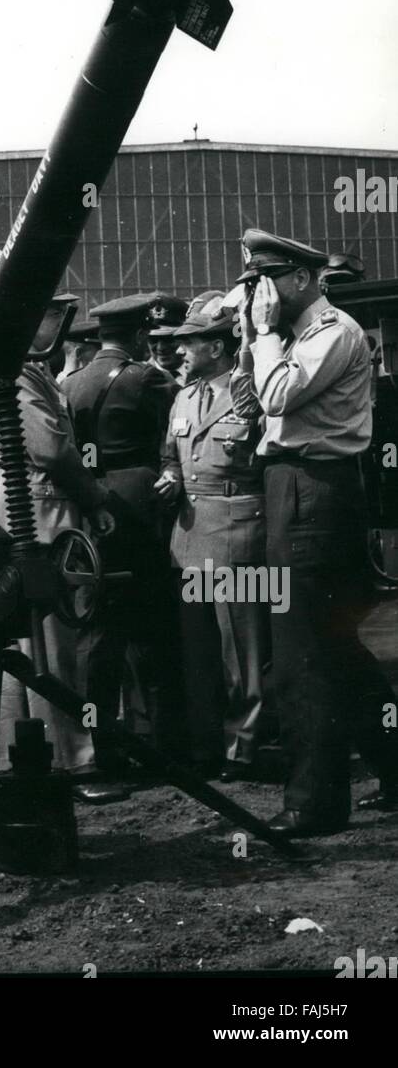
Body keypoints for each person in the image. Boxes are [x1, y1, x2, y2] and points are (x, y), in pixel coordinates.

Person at [232, 228, 398, 836]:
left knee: (304, 652)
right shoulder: (293, 335)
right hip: (291, 484)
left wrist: (269, 334)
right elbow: (248, 401)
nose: (259, 294)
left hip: (316, 485)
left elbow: (278, 398)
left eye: (267, 280)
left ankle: (315, 802)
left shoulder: (333, 332)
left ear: (302, 279)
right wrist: (253, 338)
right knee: (334, 646)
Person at [0, 297, 116, 799]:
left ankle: (21, 759)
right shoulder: (21, 373)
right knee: (53, 643)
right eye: (50, 317)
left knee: (21, 644)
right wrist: (96, 497)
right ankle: (70, 762)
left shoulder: (22, 370)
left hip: (25, 507)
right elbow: (51, 449)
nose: (55, 329)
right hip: (37, 510)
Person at [64, 294, 183, 790]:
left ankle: (102, 751)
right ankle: (161, 749)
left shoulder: (71, 382)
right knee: (154, 630)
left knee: (98, 634)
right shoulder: (147, 378)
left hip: (89, 504)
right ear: (138, 336)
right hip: (138, 505)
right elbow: (171, 431)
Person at [153, 292, 269, 781]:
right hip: (189, 540)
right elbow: (170, 455)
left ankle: (245, 749)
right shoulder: (183, 396)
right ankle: (207, 745)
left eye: (190, 342)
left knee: (243, 652)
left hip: (235, 537)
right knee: (200, 652)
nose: (179, 351)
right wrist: (172, 477)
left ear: (217, 348)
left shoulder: (249, 394)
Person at [146, 293, 189, 387]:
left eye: (168, 339)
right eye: (153, 340)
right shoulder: (138, 378)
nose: (161, 347)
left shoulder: (202, 372)